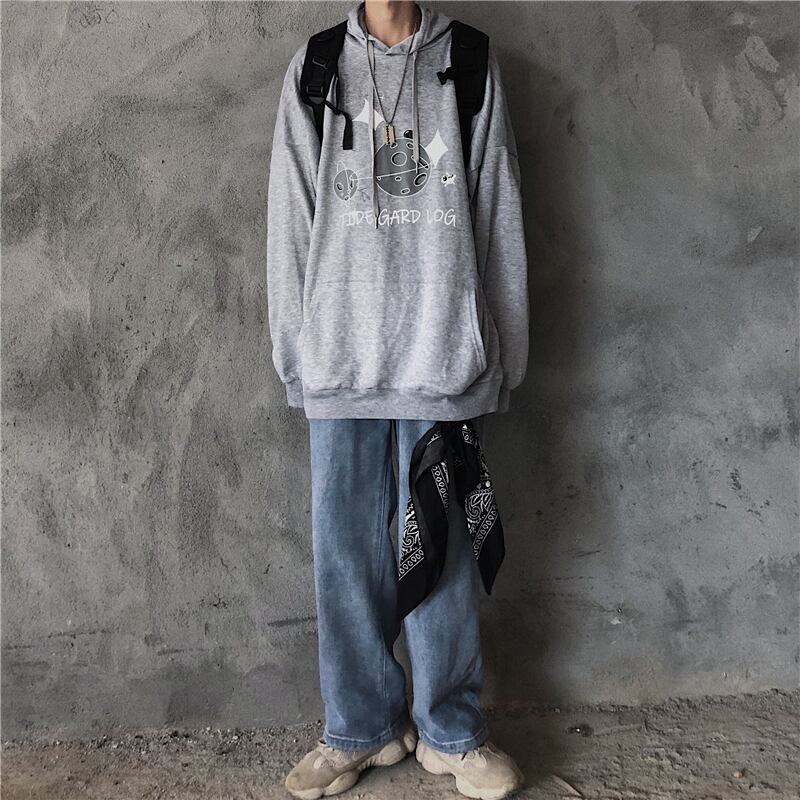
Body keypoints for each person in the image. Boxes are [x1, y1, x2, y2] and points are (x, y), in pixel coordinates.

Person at [266, 1, 530, 797]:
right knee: (344, 549)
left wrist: (499, 353)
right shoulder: (316, 69)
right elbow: (291, 219)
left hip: (441, 354)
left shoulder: (470, 62)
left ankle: (451, 731)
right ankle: (361, 727)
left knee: (441, 545)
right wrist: (297, 352)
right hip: (340, 356)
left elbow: (497, 209)